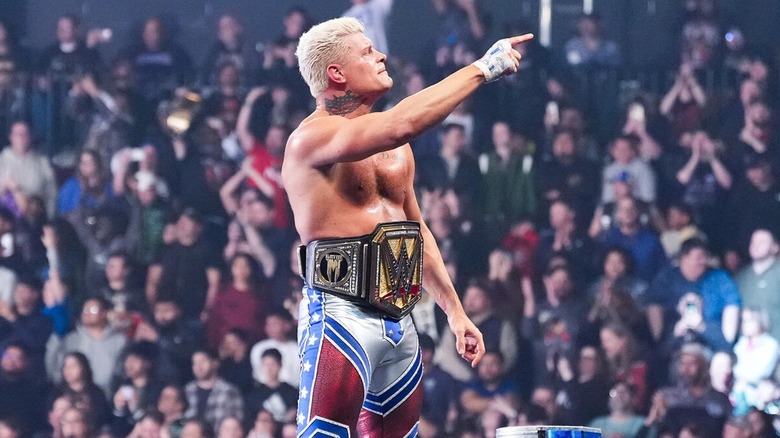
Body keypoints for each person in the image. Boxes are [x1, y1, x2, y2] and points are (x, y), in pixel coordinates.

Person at [283, 17, 531, 436]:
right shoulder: (310, 139)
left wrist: (455, 312)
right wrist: (482, 68)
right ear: (337, 73)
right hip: (340, 315)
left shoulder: (396, 151)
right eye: (366, 51)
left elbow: (415, 233)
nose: (380, 55)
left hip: (400, 317)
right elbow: (402, 122)